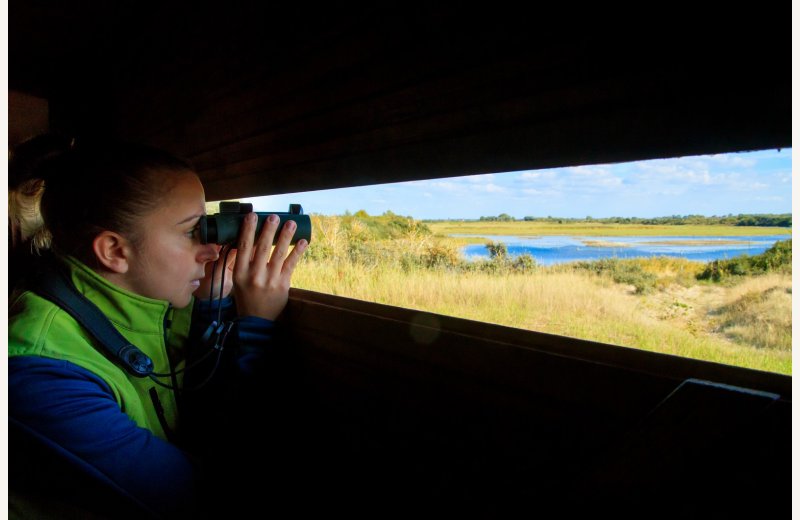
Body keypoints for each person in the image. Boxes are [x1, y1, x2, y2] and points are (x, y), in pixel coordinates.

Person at [7, 138, 308, 518]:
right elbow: (205, 500)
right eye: (190, 232)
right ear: (115, 251)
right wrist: (257, 328)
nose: (212, 249)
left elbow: (200, 424)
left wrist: (212, 304)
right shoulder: (39, 373)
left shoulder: (155, 302)